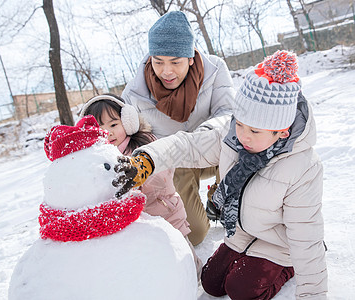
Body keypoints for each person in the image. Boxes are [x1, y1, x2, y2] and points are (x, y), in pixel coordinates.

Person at [113, 50, 328, 299]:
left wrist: (313, 294)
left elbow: (306, 238)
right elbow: (189, 145)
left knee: (241, 290)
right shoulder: (234, 136)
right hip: (241, 234)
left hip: (279, 244)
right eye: (239, 123)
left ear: (281, 132)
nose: (243, 135)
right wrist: (148, 159)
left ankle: (287, 268)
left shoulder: (302, 168)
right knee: (210, 282)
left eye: (255, 131)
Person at [121, 11, 235, 246]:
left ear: (191, 57)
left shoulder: (215, 69)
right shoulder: (134, 94)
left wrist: (199, 139)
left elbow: (228, 113)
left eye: (175, 62)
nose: (166, 71)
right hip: (175, 164)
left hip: (214, 150)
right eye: (158, 61)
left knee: (242, 139)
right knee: (195, 234)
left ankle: (219, 197)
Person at [79, 93, 203, 278]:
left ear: (128, 122)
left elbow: (162, 177)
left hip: (166, 216)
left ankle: (198, 277)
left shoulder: (145, 146)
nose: (108, 133)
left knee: (185, 261)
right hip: (135, 230)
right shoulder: (96, 161)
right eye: (100, 128)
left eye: (113, 125)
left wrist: (136, 180)